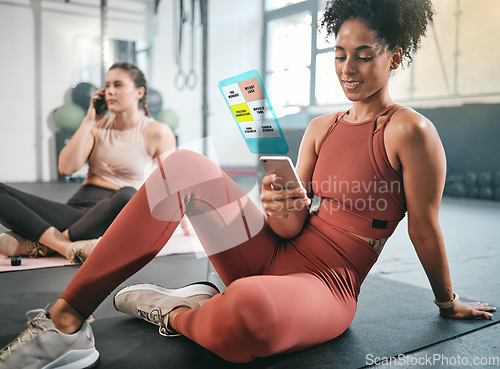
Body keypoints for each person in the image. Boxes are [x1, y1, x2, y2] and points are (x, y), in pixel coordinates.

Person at [0, 0, 496, 367]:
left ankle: (173, 310)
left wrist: (447, 302)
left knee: (249, 313)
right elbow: (289, 226)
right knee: (185, 165)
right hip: (272, 255)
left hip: (328, 285)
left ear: (397, 56)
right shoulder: (323, 128)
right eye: (340, 54)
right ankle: (65, 320)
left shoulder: (412, 131)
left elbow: (425, 228)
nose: (348, 68)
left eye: (364, 55)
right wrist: (277, 204)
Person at [0, 62, 176, 263]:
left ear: (139, 92)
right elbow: (66, 168)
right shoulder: (96, 125)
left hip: (115, 211)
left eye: (118, 85)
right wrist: (89, 121)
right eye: (107, 85)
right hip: (77, 212)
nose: (110, 91)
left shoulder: (158, 131)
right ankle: (64, 246)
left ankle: (42, 243)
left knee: (128, 195)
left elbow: (172, 185)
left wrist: (187, 226)